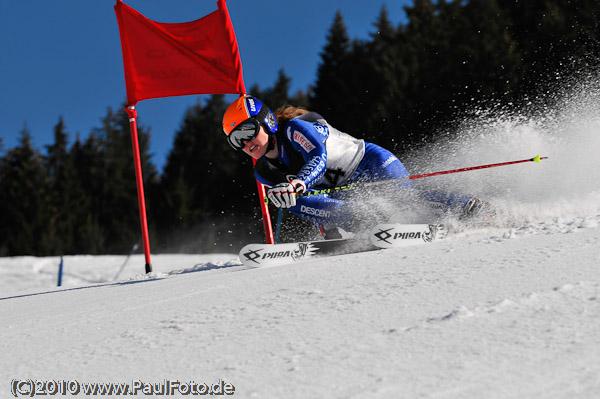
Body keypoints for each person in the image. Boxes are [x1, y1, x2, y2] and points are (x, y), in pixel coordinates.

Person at [222, 95, 490, 239]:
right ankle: (355, 222)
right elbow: (306, 199)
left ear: (266, 121)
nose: (245, 143)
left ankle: (471, 208)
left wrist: (298, 184)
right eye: (236, 140)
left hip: (370, 163)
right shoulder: (263, 171)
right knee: (291, 200)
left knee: (406, 202)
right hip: (345, 192)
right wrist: (299, 204)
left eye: (247, 131)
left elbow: (318, 158)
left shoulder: (294, 129)